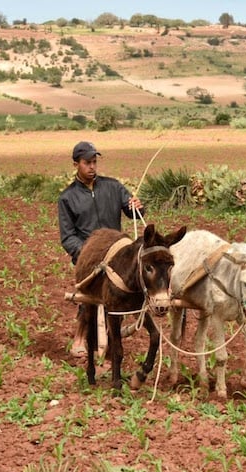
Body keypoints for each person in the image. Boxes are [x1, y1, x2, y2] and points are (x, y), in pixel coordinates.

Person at [58, 140, 145, 357]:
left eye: (94, 162)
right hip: (88, 259)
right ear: (75, 164)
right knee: (88, 300)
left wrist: (137, 207)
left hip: (116, 256)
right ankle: (80, 337)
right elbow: (68, 237)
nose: (92, 167)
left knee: (117, 299)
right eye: (87, 162)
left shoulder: (113, 187)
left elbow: (133, 212)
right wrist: (87, 254)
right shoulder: (67, 198)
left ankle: (110, 337)